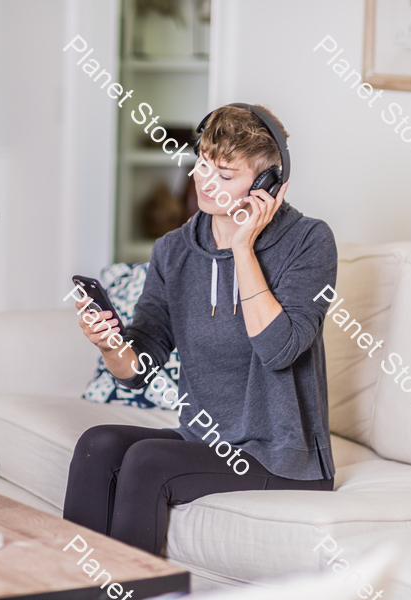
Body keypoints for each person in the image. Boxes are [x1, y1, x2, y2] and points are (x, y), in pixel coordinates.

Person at [63, 104, 338, 555]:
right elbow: (140, 364)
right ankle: (73, 585)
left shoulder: (308, 241)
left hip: (283, 455)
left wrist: (243, 248)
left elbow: (279, 349)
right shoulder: (174, 250)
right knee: (99, 444)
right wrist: (111, 344)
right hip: (205, 440)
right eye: (202, 165)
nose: (204, 181)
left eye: (225, 174)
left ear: (270, 185)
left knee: (149, 462)